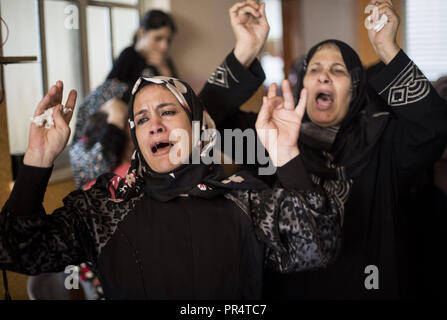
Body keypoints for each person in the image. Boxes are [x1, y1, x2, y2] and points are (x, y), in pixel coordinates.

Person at [0, 72, 343, 299]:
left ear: (196, 125)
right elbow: (16, 250)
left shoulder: (246, 198)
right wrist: (38, 159)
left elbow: (317, 246)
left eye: (168, 112)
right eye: (143, 118)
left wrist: (286, 155)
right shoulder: (105, 206)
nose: (155, 126)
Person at [207, 0, 447, 299]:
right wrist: (246, 48)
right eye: (315, 69)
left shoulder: (382, 140)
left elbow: (435, 126)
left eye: (338, 70)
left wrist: (387, 47)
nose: (323, 76)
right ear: (303, 82)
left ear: (356, 88)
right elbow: (200, 126)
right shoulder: (268, 136)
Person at [70, 9, 178, 188]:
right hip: (119, 128)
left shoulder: (164, 63)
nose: (164, 47)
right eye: (158, 38)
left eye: (168, 40)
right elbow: (111, 91)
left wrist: (164, 70)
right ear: (141, 33)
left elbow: (178, 98)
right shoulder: (129, 56)